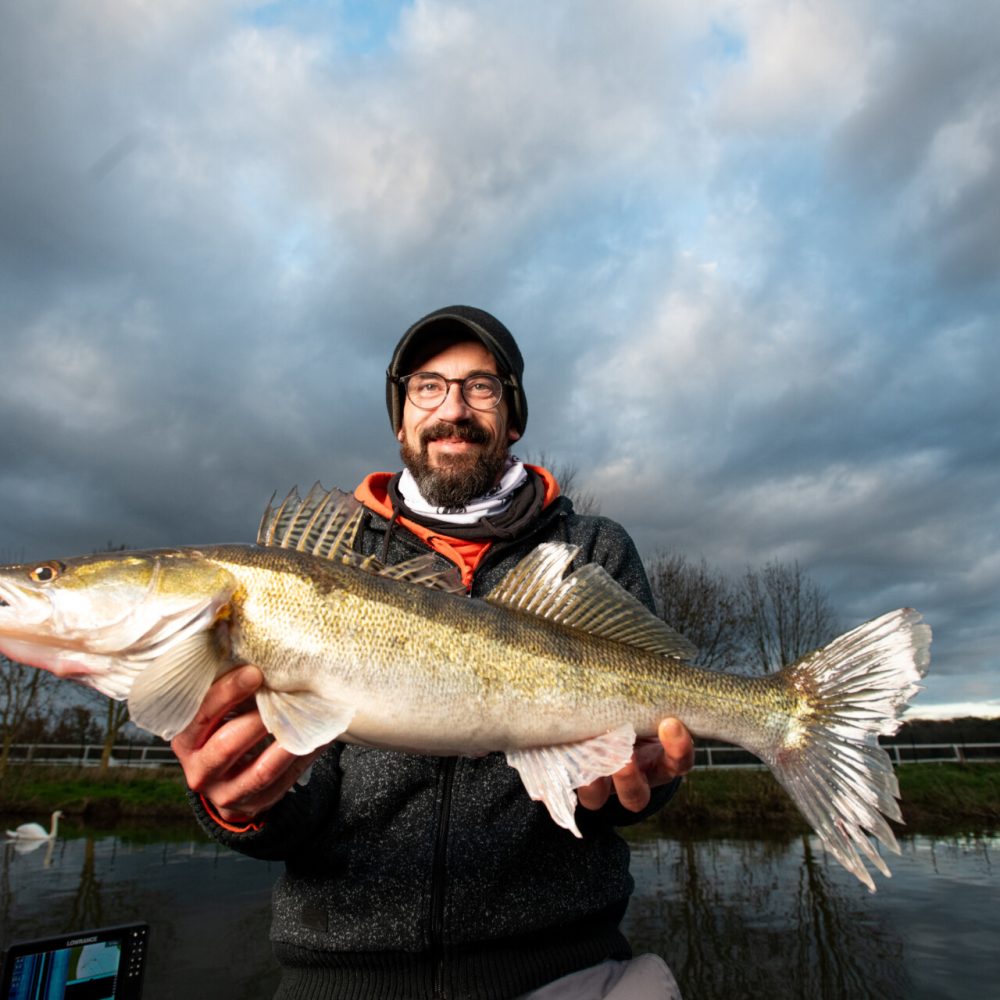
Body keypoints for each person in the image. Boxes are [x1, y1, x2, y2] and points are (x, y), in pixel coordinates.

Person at [173, 305, 694, 999]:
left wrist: (636, 788)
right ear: (399, 420)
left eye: (482, 387)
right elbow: (299, 802)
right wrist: (244, 804)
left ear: (513, 417)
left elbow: (646, 758)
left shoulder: (590, 550)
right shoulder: (319, 567)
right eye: (427, 386)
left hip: (567, 969)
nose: (454, 407)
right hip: (341, 980)